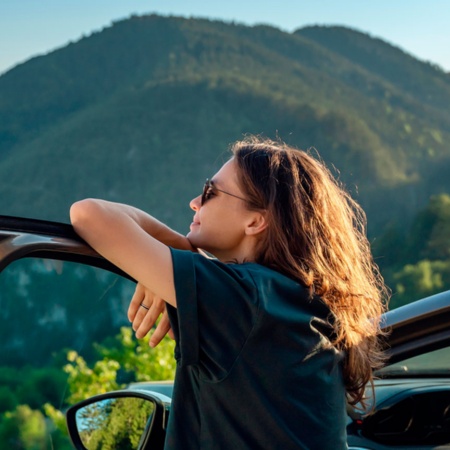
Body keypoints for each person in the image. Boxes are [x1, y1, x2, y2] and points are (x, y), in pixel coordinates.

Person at [70, 136, 388, 449]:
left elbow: (88, 215)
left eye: (211, 192)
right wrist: (176, 262)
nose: (195, 202)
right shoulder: (300, 302)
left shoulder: (245, 298)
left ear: (255, 221)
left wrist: (177, 253)